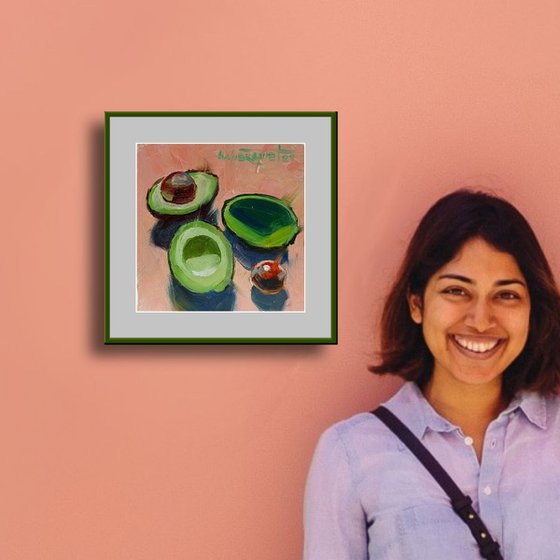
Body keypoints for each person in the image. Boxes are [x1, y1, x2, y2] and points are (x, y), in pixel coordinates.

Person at [304, 189, 560, 559]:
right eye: (457, 291)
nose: (481, 320)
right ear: (417, 303)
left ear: (532, 311)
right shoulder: (348, 454)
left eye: (506, 295)